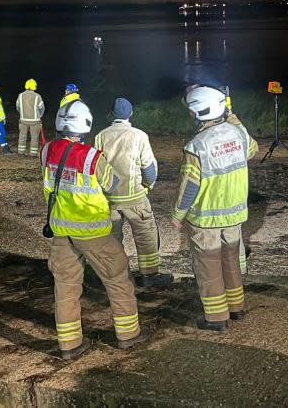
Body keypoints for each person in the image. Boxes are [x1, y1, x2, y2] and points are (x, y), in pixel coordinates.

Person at [42, 100, 147, 359]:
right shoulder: (91, 156)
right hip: (93, 232)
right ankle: (128, 335)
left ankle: (69, 345)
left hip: (60, 230)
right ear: (85, 125)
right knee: (118, 277)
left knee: (65, 286)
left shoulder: (46, 151)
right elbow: (111, 185)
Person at [172, 86, 258, 331]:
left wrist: (178, 214)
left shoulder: (196, 146)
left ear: (198, 112)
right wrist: (231, 115)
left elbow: (189, 187)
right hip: (234, 215)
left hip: (205, 220)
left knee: (209, 267)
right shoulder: (238, 133)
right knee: (231, 261)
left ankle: (216, 318)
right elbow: (253, 150)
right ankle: (236, 308)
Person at [93, 98, 172, 287]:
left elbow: (96, 166)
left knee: (112, 240)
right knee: (146, 236)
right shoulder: (139, 136)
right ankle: (150, 276)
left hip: (109, 199)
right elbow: (149, 168)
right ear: (130, 114)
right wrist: (147, 186)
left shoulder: (100, 136)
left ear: (112, 114)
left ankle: (117, 277)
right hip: (135, 198)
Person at [16, 78, 45, 157]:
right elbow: (42, 108)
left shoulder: (20, 95)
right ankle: (33, 154)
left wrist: (22, 114)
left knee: (22, 136)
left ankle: (21, 153)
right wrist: (39, 116)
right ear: (34, 86)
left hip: (23, 120)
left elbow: (18, 107)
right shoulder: (37, 96)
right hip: (35, 121)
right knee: (34, 138)